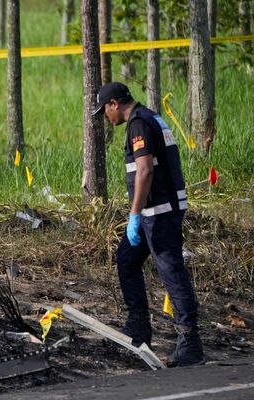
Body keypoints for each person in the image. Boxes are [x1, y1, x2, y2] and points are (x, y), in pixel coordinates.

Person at [93, 82, 204, 367]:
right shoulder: (150, 117)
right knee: (127, 259)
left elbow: (144, 171)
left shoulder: (139, 125)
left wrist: (133, 214)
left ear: (114, 104)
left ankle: (190, 341)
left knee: (170, 270)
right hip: (152, 212)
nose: (105, 117)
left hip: (159, 212)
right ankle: (139, 326)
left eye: (104, 110)